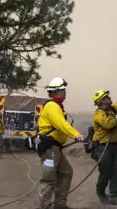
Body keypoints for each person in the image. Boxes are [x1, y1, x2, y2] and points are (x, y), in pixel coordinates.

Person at [37, 77, 84, 209]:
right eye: (63, 90)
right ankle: (44, 206)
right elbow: (61, 124)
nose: (65, 93)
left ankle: (59, 204)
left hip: (55, 148)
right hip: (49, 149)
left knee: (66, 172)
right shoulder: (52, 106)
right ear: (57, 91)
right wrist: (76, 135)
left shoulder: (56, 106)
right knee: (48, 178)